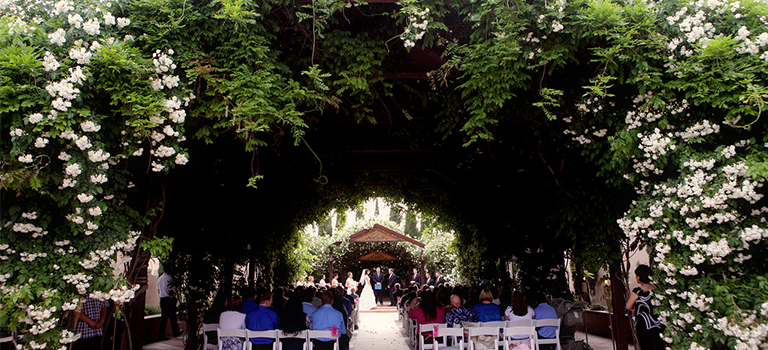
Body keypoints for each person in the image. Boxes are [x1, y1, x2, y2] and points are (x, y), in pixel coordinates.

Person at [626, 264, 664, 350]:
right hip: (657, 323)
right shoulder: (656, 289)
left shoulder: (638, 292)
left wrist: (634, 307)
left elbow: (628, 306)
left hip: (643, 324)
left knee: (645, 346)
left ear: (639, 277)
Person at [157, 269, 182, 339]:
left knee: (164, 318)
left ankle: (161, 335)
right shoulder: (169, 278)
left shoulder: (160, 278)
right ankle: (176, 332)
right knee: (173, 317)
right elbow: (171, 289)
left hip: (162, 299)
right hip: (168, 299)